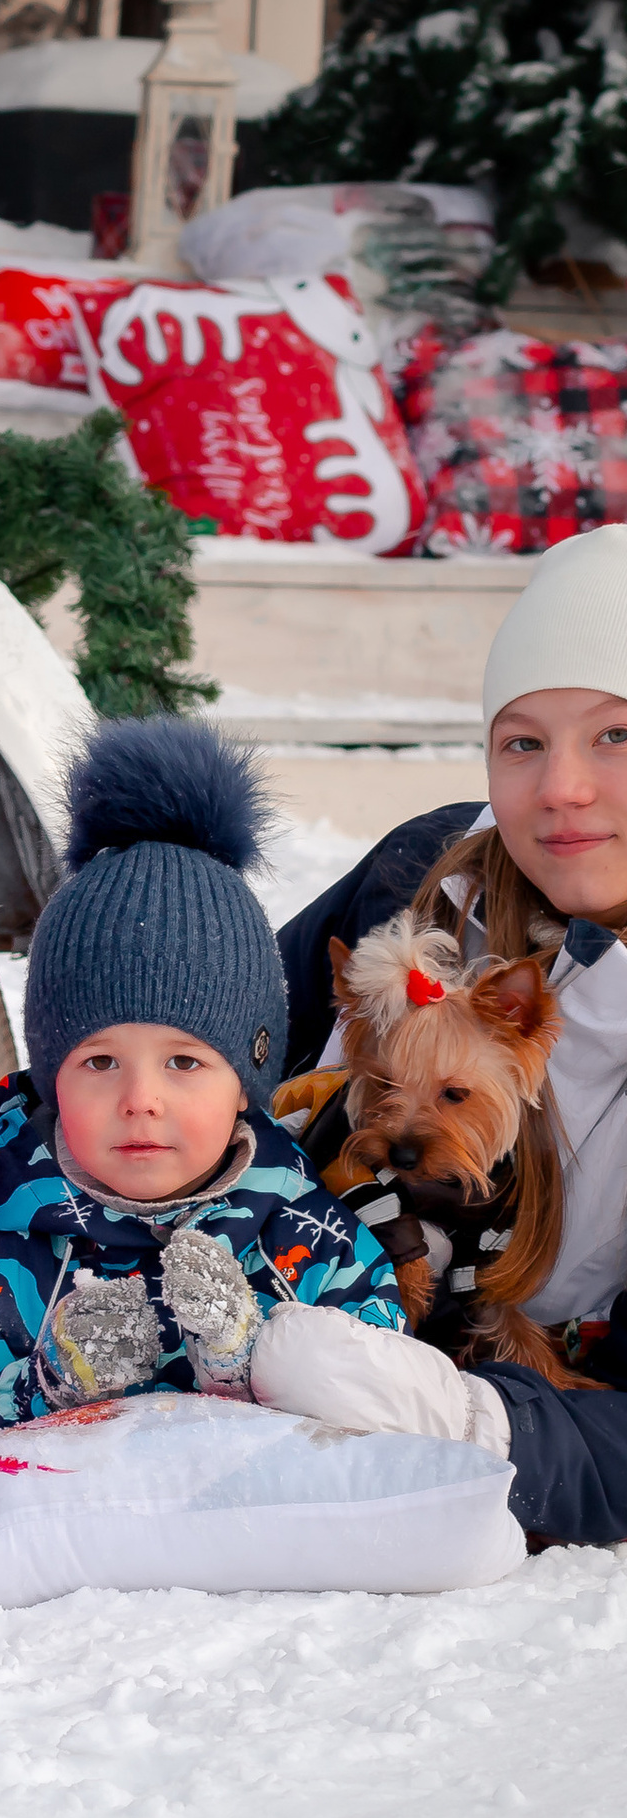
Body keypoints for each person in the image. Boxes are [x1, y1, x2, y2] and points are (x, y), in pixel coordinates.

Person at [259, 523, 627, 1536]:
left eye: (615, 734)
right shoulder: (423, 872)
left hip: (536, 1417)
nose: (561, 788)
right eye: (522, 741)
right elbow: (209, 1045)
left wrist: (470, 1421)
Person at [0, 718, 404, 1437]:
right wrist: (52, 1385)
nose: (141, 1101)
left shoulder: (302, 1227)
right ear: (50, 1077)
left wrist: (252, 1362)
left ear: (246, 1083)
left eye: (185, 1062)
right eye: (100, 1061)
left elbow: (384, 1395)